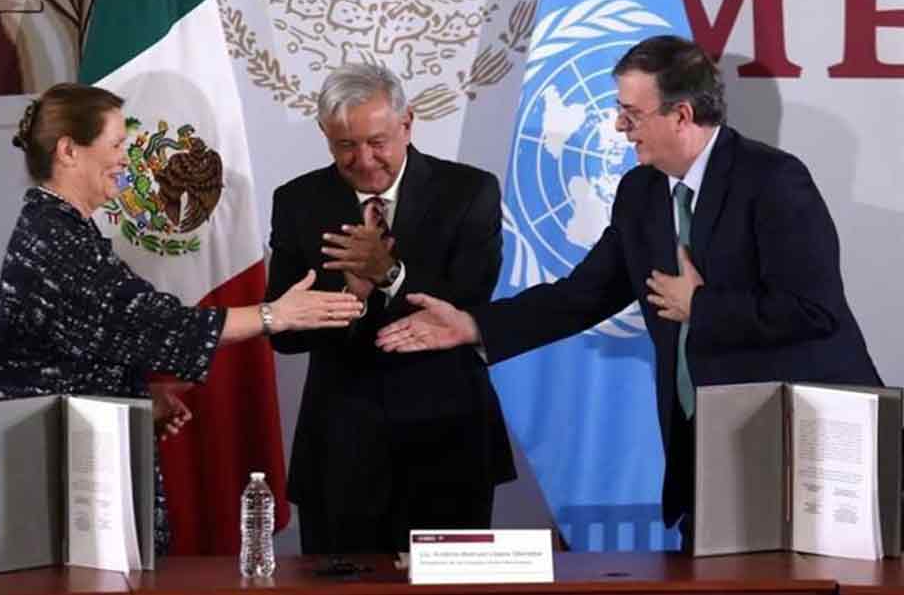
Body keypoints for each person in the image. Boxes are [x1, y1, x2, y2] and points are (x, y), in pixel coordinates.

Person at [376, 35, 882, 547]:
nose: (620, 126)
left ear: (681, 115)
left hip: (801, 448)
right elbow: (583, 295)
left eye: (632, 114)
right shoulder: (641, 192)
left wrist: (699, 306)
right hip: (707, 448)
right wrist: (474, 325)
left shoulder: (772, 179)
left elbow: (814, 309)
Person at [0, 82, 363, 554]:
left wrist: (139, 393)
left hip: (67, 459)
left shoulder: (65, 229)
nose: (126, 160)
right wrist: (274, 315)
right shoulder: (54, 237)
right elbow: (152, 322)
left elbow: (102, 335)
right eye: (116, 145)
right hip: (50, 474)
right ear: (69, 151)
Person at [265, 63, 516, 554]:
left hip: (448, 445)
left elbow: (470, 301)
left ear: (407, 123)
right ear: (324, 134)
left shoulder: (468, 191)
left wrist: (391, 275)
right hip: (340, 449)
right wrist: (352, 299)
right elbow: (285, 335)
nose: (363, 160)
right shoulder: (297, 201)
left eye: (377, 142)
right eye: (345, 145)